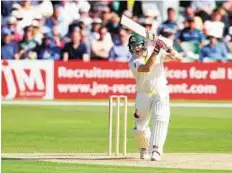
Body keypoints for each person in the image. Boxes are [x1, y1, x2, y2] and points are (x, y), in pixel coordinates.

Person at [128, 33, 180, 161]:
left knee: (160, 117)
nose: (135, 49)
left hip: (160, 90)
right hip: (143, 93)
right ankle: (143, 148)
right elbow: (147, 68)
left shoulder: (154, 51)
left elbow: (177, 58)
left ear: (143, 45)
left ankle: (156, 150)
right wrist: (157, 50)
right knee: (140, 126)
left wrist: (168, 48)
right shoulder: (134, 60)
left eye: (137, 46)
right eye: (132, 46)